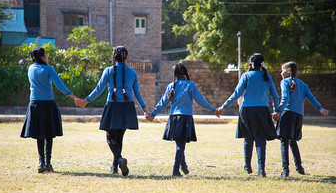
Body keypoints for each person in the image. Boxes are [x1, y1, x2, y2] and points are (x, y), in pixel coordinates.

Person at [77, 46, 150, 177]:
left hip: (113, 106)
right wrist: (145, 109)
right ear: (126, 57)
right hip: (127, 107)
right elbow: (137, 93)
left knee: (110, 137)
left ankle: (118, 159)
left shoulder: (108, 71)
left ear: (114, 58)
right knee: (119, 137)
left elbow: (99, 89)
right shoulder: (132, 73)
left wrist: (86, 101)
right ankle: (115, 166)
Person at [145, 63, 219, 177]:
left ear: (174, 74)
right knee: (181, 145)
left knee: (180, 143)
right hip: (185, 118)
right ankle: (175, 171)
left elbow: (163, 102)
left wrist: (153, 114)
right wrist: (213, 110)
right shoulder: (190, 85)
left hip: (174, 118)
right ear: (185, 73)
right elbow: (201, 101)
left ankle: (183, 166)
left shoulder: (171, 86)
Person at [215, 53, 279, 177]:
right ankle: (261, 169)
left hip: (247, 110)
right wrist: (277, 111)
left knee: (248, 138)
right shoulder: (267, 77)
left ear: (250, 65)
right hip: (262, 110)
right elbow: (275, 97)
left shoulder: (246, 76)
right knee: (260, 140)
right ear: (262, 65)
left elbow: (236, 94)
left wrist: (223, 106)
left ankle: (247, 165)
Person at [20, 47, 80, 173]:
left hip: (35, 104)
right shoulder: (49, 69)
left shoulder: (30, 68)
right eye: (46, 54)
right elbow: (60, 85)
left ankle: (41, 162)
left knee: (39, 135)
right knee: (48, 134)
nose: (48, 56)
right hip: (48, 104)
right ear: (42, 57)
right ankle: (48, 163)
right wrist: (73, 97)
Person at [272, 61, 329, 178]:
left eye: (282, 70)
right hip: (298, 116)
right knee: (293, 141)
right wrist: (320, 108)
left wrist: (278, 111)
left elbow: (285, 98)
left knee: (284, 141)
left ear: (288, 71)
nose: (280, 73)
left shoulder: (284, 82)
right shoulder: (303, 85)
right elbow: (311, 97)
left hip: (287, 114)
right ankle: (299, 167)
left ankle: (285, 170)